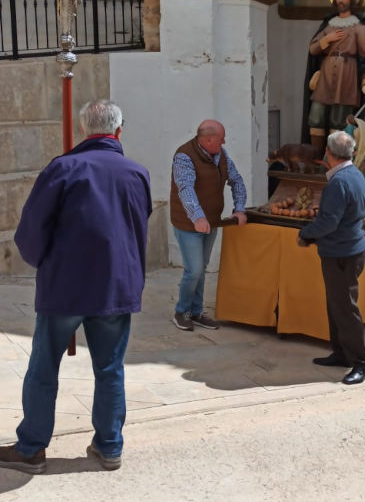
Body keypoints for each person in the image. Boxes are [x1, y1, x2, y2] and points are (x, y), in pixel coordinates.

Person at [0, 100, 152, 475]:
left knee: (43, 367)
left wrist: (41, 262)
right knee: (110, 368)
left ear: (86, 129)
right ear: (118, 131)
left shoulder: (63, 168)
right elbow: (139, 227)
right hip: (115, 287)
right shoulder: (137, 172)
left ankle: (32, 447)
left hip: (65, 287)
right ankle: (110, 445)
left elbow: (32, 229)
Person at [298, 130, 365, 385]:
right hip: (347, 249)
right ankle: (341, 352)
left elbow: (329, 223)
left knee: (345, 308)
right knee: (336, 305)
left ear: (328, 153)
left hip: (342, 252)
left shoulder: (339, 181)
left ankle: (362, 361)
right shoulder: (355, 174)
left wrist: (306, 233)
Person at [170, 119, 247, 331]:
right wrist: (198, 217)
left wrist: (239, 208)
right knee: (193, 270)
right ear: (208, 139)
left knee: (201, 268)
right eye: (221, 139)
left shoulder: (221, 154)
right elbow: (185, 189)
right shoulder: (184, 156)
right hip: (188, 224)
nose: (224, 141)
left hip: (211, 221)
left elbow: (236, 180)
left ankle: (196, 312)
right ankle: (181, 311)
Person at [305, 0, 365, 156]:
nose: (340, 0)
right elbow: (313, 49)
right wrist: (327, 39)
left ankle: (333, 157)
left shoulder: (361, 27)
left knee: (338, 120)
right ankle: (316, 158)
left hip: (347, 75)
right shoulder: (329, 25)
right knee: (316, 116)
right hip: (326, 75)